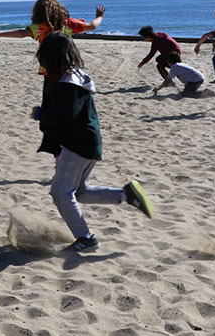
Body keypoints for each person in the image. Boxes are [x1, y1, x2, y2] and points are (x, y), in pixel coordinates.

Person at [32, 32, 153, 252]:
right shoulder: (72, 77)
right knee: (79, 192)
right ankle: (126, 195)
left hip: (78, 143)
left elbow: (65, 116)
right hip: (87, 141)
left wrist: (42, 114)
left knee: (60, 192)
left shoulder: (70, 83)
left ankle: (86, 239)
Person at [0, 0, 105, 73]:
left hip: (48, 69)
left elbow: (21, 33)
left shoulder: (40, 27)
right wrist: (99, 17)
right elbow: (92, 26)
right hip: (67, 66)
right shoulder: (68, 23)